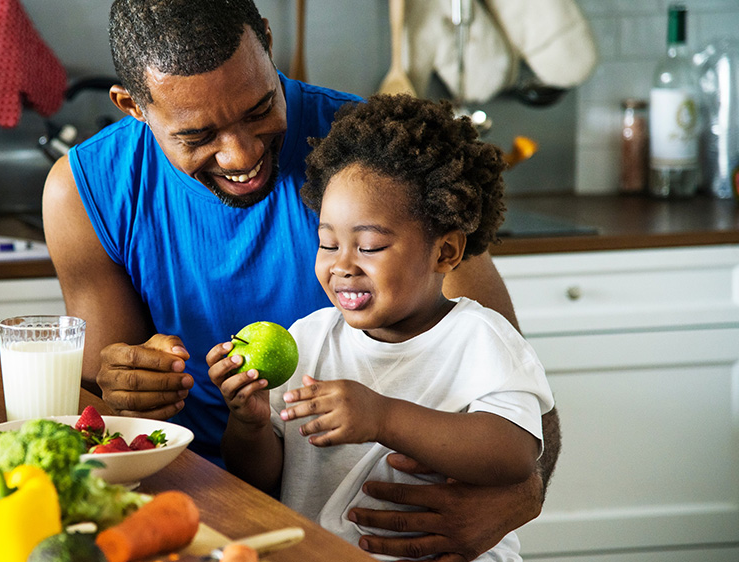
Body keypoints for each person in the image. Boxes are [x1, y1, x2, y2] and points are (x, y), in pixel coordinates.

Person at [42, 1, 561, 559]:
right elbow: (104, 410)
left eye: (260, 107)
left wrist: (519, 498)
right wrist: (132, 384)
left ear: (268, 42)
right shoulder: (86, 191)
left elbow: (522, 406)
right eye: (198, 135)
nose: (242, 153)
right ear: (132, 107)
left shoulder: (379, 160)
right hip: (193, 514)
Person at [206, 94, 555, 560]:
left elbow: (513, 455)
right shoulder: (309, 339)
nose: (342, 266)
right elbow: (263, 480)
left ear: (445, 253)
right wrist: (247, 425)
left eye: (369, 246)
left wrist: (382, 417)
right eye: (328, 243)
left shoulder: (479, 338)